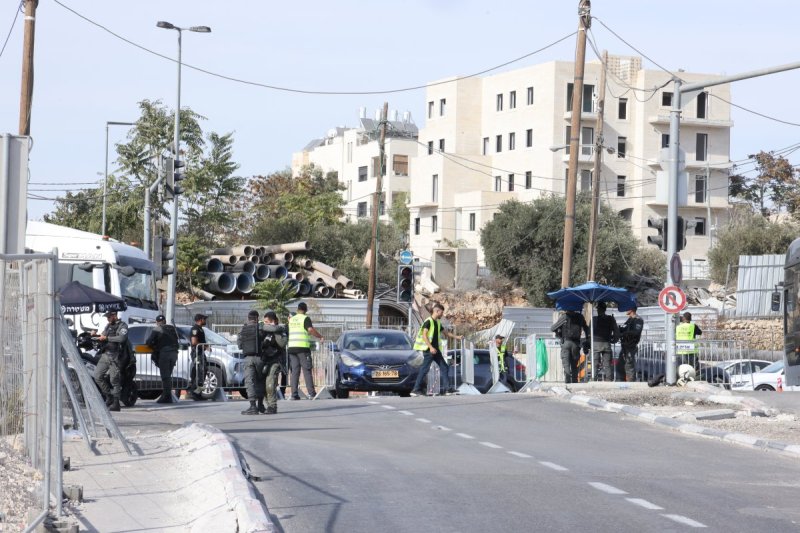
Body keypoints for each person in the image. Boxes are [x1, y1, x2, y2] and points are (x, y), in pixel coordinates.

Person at [410, 303, 463, 396]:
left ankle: (448, 389)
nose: (442, 314)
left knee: (444, 367)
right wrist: (430, 347)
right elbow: (424, 335)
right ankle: (416, 389)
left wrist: (457, 337)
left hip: (436, 350)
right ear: (437, 311)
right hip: (429, 350)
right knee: (424, 369)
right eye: (441, 312)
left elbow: (446, 333)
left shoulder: (437, 322)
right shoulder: (428, 322)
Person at [92, 310, 129, 412]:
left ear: (114, 315)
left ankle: (116, 403)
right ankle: (109, 396)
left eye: (109, 317)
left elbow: (122, 338)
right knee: (97, 376)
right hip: (105, 355)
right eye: (107, 317)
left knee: (114, 380)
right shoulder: (108, 326)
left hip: (116, 356)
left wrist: (107, 338)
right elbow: (103, 336)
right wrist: (95, 335)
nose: (108, 319)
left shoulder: (123, 326)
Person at [287, 302, 324, 400]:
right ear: (305, 310)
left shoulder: (291, 319)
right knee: (307, 370)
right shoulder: (305, 318)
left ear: (297, 309)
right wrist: (320, 336)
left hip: (292, 348)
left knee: (295, 371)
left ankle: (294, 394)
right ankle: (311, 393)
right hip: (302, 348)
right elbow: (310, 330)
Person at [145, 314, 180, 404]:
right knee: (168, 375)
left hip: (165, 354)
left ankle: (167, 397)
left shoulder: (157, 329)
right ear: (164, 321)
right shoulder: (172, 328)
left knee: (165, 376)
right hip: (174, 354)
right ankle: (166, 395)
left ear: (157, 322)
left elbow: (148, 342)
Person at [551, 309, 590, 383]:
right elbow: (586, 328)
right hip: (576, 344)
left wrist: (558, 331)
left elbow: (552, 328)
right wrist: (587, 339)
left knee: (566, 364)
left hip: (566, 343)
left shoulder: (564, 317)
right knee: (574, 365)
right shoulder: (580, 317)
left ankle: (567, 381)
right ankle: (575, 381)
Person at [261, 311, 287, 414]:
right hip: (264, 360)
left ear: (273, 321)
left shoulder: (281, 331)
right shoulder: (264, 329)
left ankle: (272, 406)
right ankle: (267, 405)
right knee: (263, 385)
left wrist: (275, 330)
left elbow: (282, 343)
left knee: (270, 383)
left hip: (276, 360)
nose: (265, 324)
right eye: (264, 322)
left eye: (267, 322)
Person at [239, 310, 264, 415]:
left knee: (250, 382)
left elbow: (240, 345)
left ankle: (253, 406)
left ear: (248, 318)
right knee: (260, 381)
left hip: (248, 358)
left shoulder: (243, 330)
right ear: (257, 318)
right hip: (260, 358)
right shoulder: (261, 328)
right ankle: (261, 405)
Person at [590, 302, 620, 381]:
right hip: (606, 343)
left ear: (598, 309)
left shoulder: (593, 319)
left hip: (595, 343)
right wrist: (615, 340)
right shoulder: (610, 318)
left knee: (595, 363)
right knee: (607, 364)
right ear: (605, 309)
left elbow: (589, 332)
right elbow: (616, 331)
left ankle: (594, 379)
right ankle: (609, 380)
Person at [618, 306, 644, 382]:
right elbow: (625, 328)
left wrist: (625, 333)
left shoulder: (638, 320)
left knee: (629, 364)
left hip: (631, 345)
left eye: (627, 308)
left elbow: (636, 332)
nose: (626, 309)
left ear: (632, 310)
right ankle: (621, 382)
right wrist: (619, 330)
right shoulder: (630, 319)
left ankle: (631, 382)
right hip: (625, 345)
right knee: (620, 365)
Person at [189, 313, 209, 400]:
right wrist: (204, 346)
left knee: (202, 371)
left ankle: (198, 393)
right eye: (204, 319)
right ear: (200, 320)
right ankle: (194, 392)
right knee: (200, 372)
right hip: (197, 353)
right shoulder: (195, 329)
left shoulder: (201, 329)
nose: (205, 321)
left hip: (200, 353)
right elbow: (194, 342)